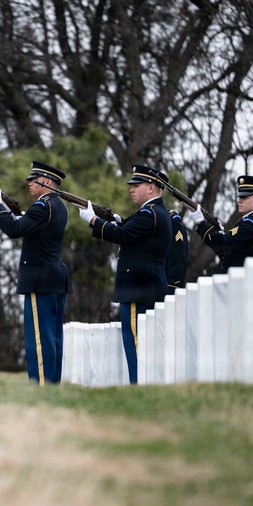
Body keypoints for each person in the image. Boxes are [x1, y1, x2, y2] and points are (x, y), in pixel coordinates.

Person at [80, 164, 171, 384]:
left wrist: (94, 220)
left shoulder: (150, 213)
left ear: (151, 187)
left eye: (136, 185)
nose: (131, 189)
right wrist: (118, 221)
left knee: (136, 344)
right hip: (147, 286)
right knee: (144, 344)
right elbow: (130, 230)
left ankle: (139, 387)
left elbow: (122, 235)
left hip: (137, 290)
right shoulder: (156, 212)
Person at [0, 161, 73, 385]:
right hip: (55, 277)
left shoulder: (42, 206)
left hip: (40, 279)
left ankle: (41, 383)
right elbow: (30, 226)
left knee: (39, 336)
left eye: (33, 181)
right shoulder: (58, 205)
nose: (29, 185)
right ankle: (51, 381)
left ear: (46, 182)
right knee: (52, 336)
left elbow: (15, 230)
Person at [191, 175, 253, 271]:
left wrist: (201, 222)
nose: (239, 201)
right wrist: (218, 232)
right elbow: (228, 253)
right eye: (240, 197)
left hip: (242, 283)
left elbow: (222, 243)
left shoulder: (251, 223)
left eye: (244, 197)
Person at [166, 208, 189, 292]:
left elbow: (178, 255)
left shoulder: (170, 218)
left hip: (165, 287)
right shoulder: (140, 216)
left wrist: (173, 285)